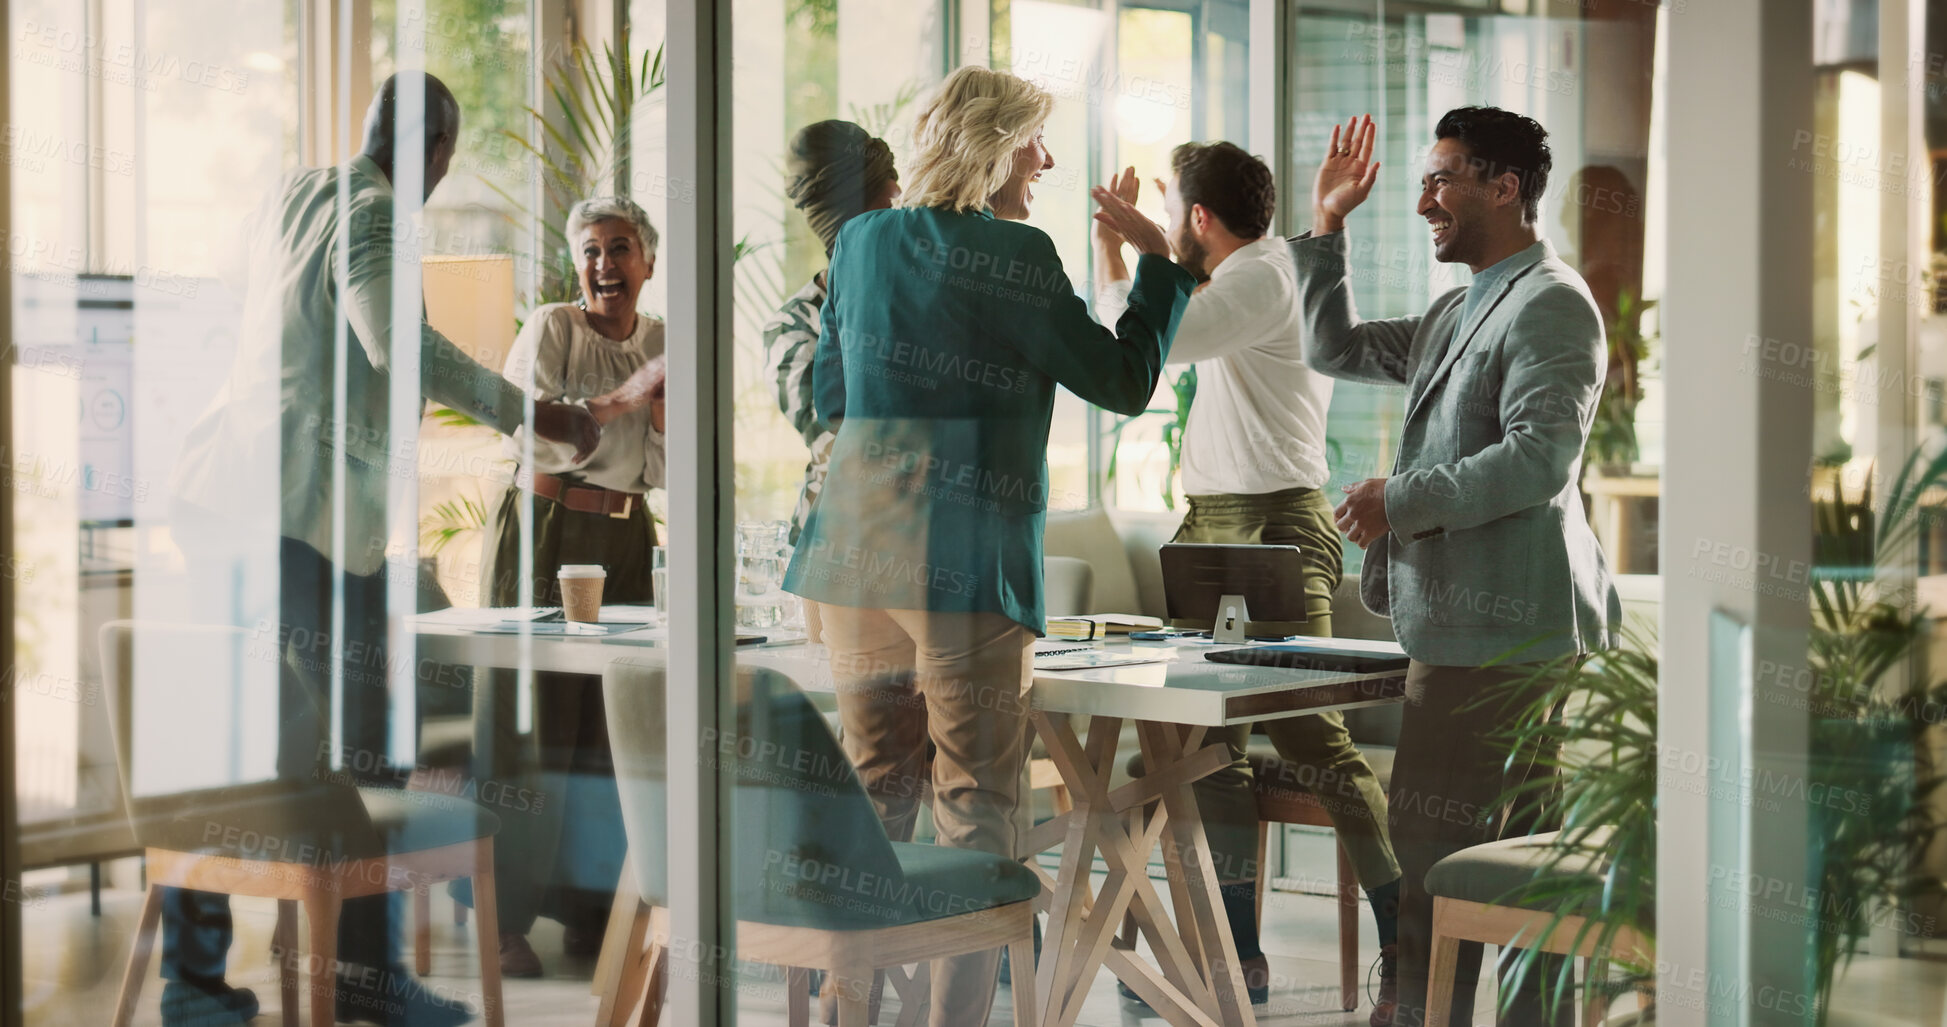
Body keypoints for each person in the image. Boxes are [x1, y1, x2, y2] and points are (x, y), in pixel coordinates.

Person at [167, 72, 601, 1027]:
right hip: (295, 516)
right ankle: (364, 981)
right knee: (369, 741)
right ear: (438, 155)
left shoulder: (296, 192)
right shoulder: (376, 216)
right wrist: (535, 414)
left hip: (225, 492)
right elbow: (393, 344)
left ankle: (195, 985)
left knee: (230, 741)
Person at [781, 65, 1195, 1027]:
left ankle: (850, 1016)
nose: (1046, 159)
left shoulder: (859, 242)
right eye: (1034, 141)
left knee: (877, 793)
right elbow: (1124, 381)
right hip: (960, 557)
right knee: (975, 804)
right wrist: (1157, 265)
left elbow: (829, 402)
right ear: (993, 144)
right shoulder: (1016, 252)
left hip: (851, 550)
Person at [1291, 109, 1622, 1027]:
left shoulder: (1549, 300)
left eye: (1442, 179)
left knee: (1441, 844)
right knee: (1493, 851)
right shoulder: (1459, 304)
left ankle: (1435, 1011)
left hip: (1506, 628)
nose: (1423, 197)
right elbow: (1335, 349)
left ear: (1506, 186)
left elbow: (1537, 458)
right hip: (1465, 622)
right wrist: (1327, 228)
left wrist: (1397, 498)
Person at [1093, 141, 1401, 1018]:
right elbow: (1172, 316)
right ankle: (1237, 954)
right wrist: (1136, 251)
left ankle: (1401, 935)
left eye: (1171, 204)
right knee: (1206, 746)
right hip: (1217, 527)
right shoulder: (1245, 277)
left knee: (1311, 739)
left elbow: (1160, 341)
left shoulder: (1266, 280)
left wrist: (1127, 254)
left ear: (1198, 218)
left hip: (1274, 527)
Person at [462, 195, 668, 978]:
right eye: (589, 250)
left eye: (619, 249)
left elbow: (661, 469)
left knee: (615, 726)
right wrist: (619, 400)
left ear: (647, 261)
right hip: (543, 530)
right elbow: (530, 427)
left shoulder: (664, 340)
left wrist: (661, 412)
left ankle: (593, 912)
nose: (603, 265)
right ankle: (501, 918)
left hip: (624, 533)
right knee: (529, 724)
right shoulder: (552, 325)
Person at [762, 119, 901, 547]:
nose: (900, 196)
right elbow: (842, 446)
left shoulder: (920, 298)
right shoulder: (792, 327)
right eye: (886, 189)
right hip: (836, 542)